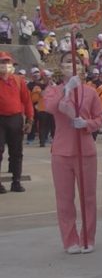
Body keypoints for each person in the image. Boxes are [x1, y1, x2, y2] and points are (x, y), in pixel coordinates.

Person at [44, 53, 102, 253]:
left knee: (88, 197)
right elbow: (51, 108)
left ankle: (88, 238)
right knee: (64, 199)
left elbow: (100, 119)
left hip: (85, 150)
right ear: (61, 66)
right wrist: (66, 90)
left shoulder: (90, 92)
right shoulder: (53, 90)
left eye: (76, 62)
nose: (72, 65)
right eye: (68, 61)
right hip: (61, 151)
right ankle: (70, 240)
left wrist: (86, 124)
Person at [0, 52, 33, 193]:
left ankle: (16, 181)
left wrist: (30, 120)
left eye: (8, 63)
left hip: (15, 119)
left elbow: (27, 101)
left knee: (16, 152)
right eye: (2, 62)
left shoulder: (19, 81)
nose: (5, 66)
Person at [31, 70, 54, 148]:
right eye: (46, 76)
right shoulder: (37, 86)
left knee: (52, 126)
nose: (48, 78)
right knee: (42, 126)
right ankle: (42, 142)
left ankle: (54, 140)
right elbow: (34, 99)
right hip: (42, 109)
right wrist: (39, 93)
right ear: (43, 76)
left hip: (51, 109)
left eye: (48, 76)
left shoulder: (52, 85)